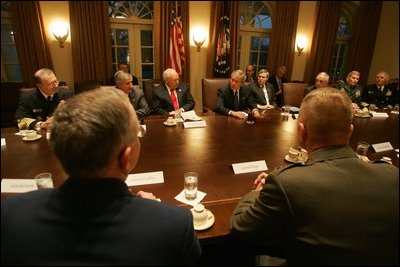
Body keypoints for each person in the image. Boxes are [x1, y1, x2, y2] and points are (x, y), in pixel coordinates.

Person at [1, 88, 201, 265]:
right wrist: (152, 210)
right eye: (137, 132)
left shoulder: (9, 214)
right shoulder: (173, 225)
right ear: (126, 157)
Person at [230, 87, 399, 266]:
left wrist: (257, 191)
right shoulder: (392, 175)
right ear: (350, 131)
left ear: (301, 132)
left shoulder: (287, 183)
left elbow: (241, 228)